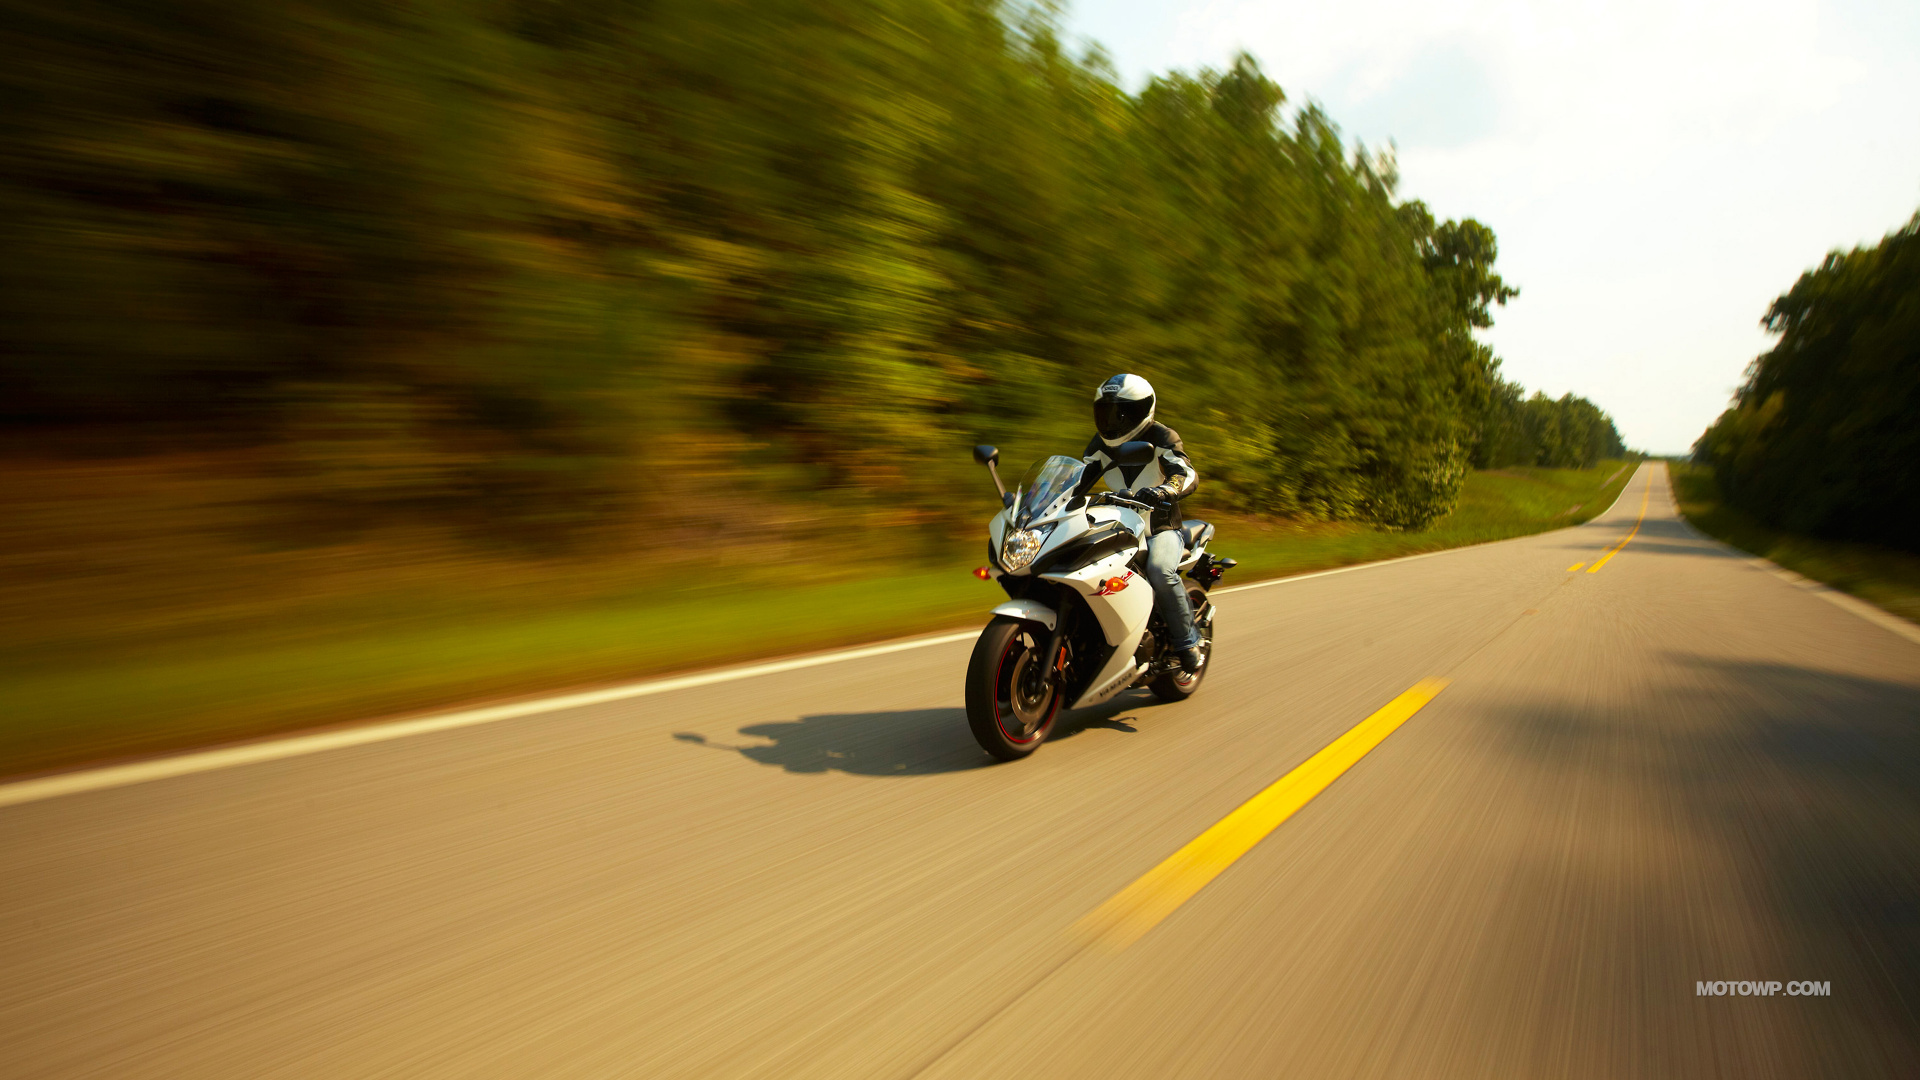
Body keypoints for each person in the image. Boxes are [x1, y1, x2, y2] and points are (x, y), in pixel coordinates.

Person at [1081, 373, 1204, 673]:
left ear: (1142, 410)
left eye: (1122, 412)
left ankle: (1189, 643)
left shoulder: (1162, 436)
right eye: (1107, 412)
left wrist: (1167, 489)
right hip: (1119, 528)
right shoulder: (1098, 445)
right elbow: (1077, 482)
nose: (1113, 420)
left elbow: (1186, 473)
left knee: (1160, 572)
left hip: (1160, 528)